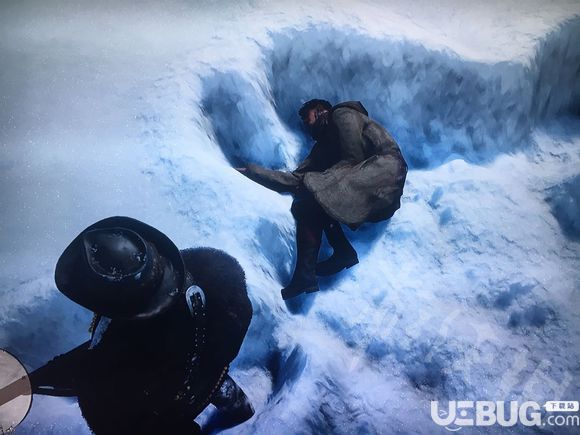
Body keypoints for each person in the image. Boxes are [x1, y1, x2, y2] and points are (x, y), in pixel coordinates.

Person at [2, 216, 254, 434]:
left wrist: (30, 383)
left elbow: (93, 368)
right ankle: (241, 409)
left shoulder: (121, 357)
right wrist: (209, 360)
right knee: (222, 389)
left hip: (170, 407)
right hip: (211, 373)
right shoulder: (213, 270)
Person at [238, 99, 407, 300]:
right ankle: (316, 269)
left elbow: (352, 157)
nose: (305, 124)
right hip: (366, 185)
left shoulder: (342, 114)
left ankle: (327, 262)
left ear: (320, 111)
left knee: (317, 191)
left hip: (384, 172)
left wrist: (317, 182)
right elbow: (297, 180)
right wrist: (251, 172)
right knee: (306, 205)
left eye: (306, 117)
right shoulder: (323, 148)